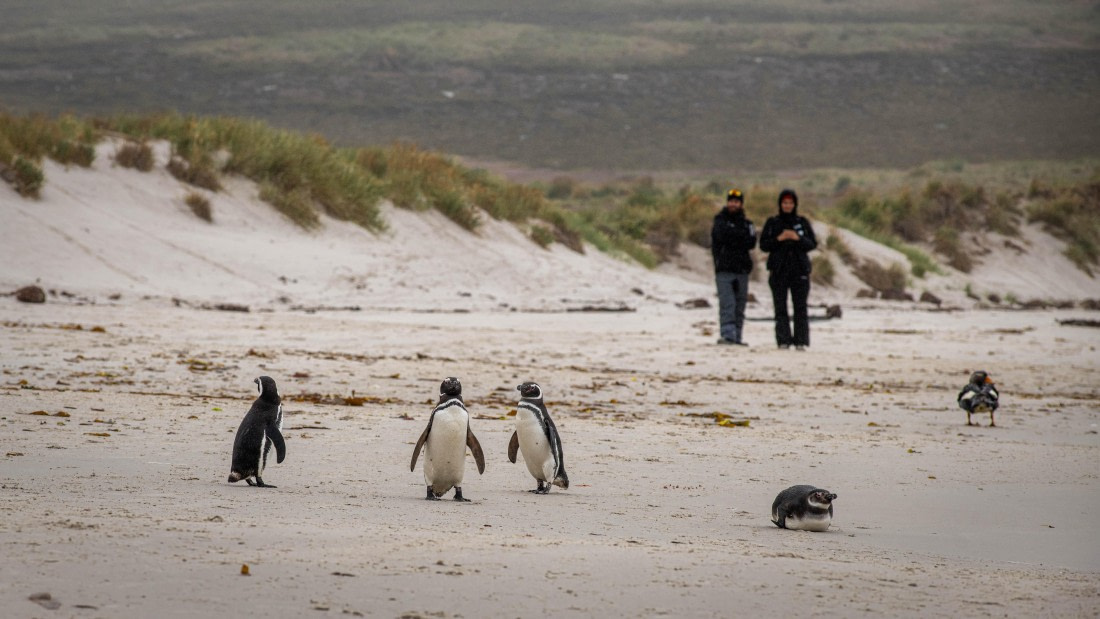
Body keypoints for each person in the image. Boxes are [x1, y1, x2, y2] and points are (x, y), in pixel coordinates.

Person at [759, 188, 817, 350]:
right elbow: (764, 245)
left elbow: (812, 244)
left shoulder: (802, 222)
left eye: (790, 203)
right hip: (779, 271)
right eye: (785, 203)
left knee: (800, 307)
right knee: (780, 307)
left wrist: (797, 238)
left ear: (795, 204)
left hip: (799, 271)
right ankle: (783, 340)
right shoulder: (773, 222)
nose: (787, 205)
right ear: (780, 204)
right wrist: (780, 238)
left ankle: (800, 341)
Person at [710, 188, 756, 345]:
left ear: (741, 204)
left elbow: (751, 242)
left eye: (736, 202)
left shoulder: (747, 224)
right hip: (724, 268)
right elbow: (720, 236)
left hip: (742, 269)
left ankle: (737, 336)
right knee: (727, 303)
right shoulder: (719, 220)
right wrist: (737, 235)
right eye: (731, 201)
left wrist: (734, 234)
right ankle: (727, 335)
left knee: (740, 305)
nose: (733, 204)